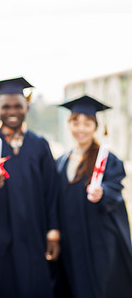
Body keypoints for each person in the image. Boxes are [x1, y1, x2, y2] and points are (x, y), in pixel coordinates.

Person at [0, 77, 60, 298]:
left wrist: (52, 233)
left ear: (27, 107)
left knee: (31, 284)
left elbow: (51, 190)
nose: (12, 111)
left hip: (32, 232)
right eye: (6, 106)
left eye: (18, 106)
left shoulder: (39, 145)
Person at [54, 95, 132, 298]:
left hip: (99, 238)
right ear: (69, 124)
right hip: (72, 238)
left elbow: (115, 188)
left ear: (96, 126)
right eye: (75, 122)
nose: (81, 129)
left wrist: (102, 192)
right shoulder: (61, 161)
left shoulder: (107, 159)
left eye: (87, 123)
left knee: (101, 287)